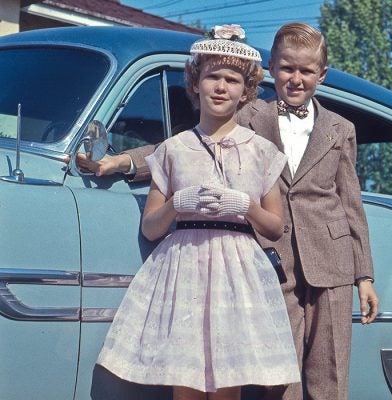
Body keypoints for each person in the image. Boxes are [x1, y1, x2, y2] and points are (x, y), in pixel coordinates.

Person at [83, 22, 379, 400]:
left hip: (332, 261)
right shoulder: (250, 112)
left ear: (321, 74)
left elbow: (351, 204)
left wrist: (364, 276)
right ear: (272, 68)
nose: (296, 79)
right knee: (278, 373)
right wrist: (122, 161)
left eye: (306, 71)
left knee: (331, 368)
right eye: (288, 69)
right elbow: (179, 148)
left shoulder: (341, 128)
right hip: (276, 262)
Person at [94, 24, 300, 400]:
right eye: (212, 77)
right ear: (195, 83)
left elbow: (275, 227)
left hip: (237, 276)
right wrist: (177, 203)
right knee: (185, 384)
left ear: (245, 91)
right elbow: (152, 228)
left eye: (232, 80)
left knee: (227, 386)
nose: (221, 87)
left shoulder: (261, 151)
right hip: (184, 273)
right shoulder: (174, 149)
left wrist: (246, 206)